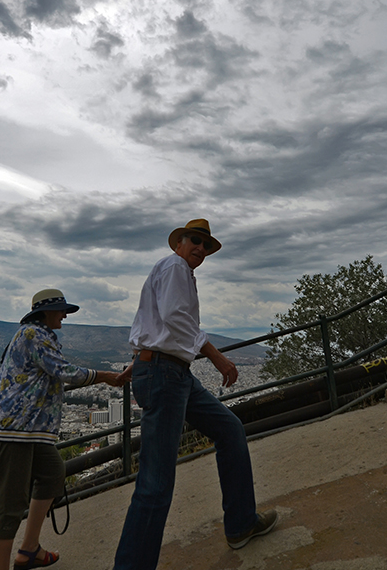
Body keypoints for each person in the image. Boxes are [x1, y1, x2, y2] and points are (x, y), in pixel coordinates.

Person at [113, 219, 277, 570]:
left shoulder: (177, 270)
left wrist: (142, 362)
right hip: (166, 374)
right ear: (179, 243)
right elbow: (173, 316)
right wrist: (216, 355)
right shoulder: (174, 265)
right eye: (195, 241)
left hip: (172, 372)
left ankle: (241, 523)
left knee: (229, 429)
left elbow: (154, 321)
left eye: (205, 245)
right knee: (156, 481)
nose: (200, 249)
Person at [0, 288, 127, 570]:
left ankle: (29, 549)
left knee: (52, 474)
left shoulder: (35, 334)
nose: (64, 315)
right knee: (8, 505)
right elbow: (65, 372)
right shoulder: (33, 335)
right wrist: (107, 376)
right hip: (15, 430)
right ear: (45, 313)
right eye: (61, 310)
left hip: (28, 430)